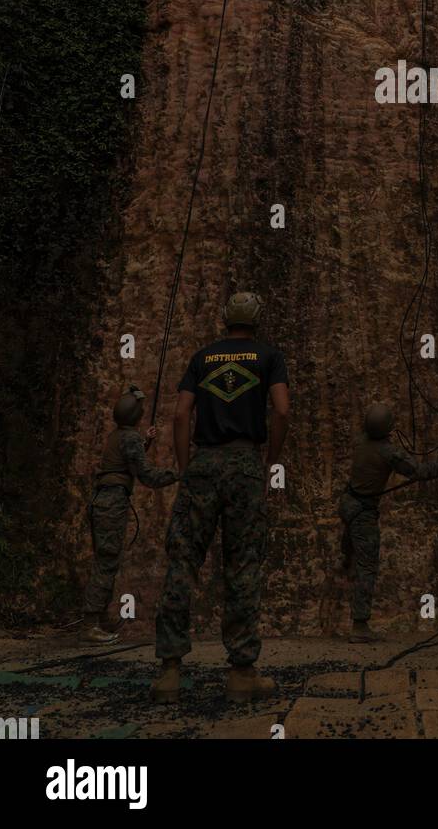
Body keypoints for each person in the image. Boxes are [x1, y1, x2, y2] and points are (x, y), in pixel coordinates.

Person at [152, 292, 290, 703]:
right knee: (243, 565)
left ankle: (170, 673)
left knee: (183, 560)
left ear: (226, 320)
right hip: (245, 464)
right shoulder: (269, 357)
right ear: (258, 321)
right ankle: (241, 673)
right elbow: (281, 410)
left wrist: (184, 468)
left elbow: (180, 415)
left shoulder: (202, 357)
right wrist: (269, 461)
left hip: (203, 464)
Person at [338, 403, 438, 642]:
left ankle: (346, 555)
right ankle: (360, 625)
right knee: (367, 566)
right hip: (363, 512)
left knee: (354, 547)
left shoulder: (360, 441)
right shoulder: (388, 452)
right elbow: (419, 471)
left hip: (347, 503)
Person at [82, 387, 178, 643]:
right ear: (137, 415)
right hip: (112, 504)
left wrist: (144, 442)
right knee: (107, 562)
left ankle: (99, 619)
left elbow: (128, 459)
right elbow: (147, 476)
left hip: (103, 501)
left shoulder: (119, 436)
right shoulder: (130, 438)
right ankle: (91, 624)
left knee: (106, 559)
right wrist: (178, 473)